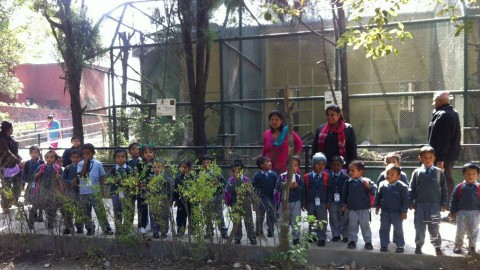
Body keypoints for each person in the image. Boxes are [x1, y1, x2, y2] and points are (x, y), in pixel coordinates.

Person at [409, 146, 448, 256]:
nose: (428, 160)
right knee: (419, 227)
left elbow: (444, 189)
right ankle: (418, 245)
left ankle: (437, 246)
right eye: (425, 157)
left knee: (434, 226)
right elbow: (411, 188)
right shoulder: (416, 172)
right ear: (420, 158)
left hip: (434, 205)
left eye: (430, 157)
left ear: (434, 158)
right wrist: (410, 201)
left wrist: (444, 203)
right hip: (420, 205)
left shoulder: (439, 172)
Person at [428, 91, 461, 207]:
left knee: (445, 181)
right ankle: (447, 206)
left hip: (443, 156)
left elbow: (443, 139)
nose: (433, 104)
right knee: (445, 180)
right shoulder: (450, 113)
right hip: (447, 155)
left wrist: (440, 160)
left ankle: (450, 207)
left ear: (440, 101)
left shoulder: (444, 115)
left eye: (435, 101)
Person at [73, 143, 113, 236]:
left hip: (95, 191)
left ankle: (106, 228)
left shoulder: (98, 163)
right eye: (84, 154)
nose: (86, 155)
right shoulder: (80, 164)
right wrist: (85, 164)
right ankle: (90, 228)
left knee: (100, 210)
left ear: (93, 153)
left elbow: (102, 177)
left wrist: (102, 189)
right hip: (84, 192)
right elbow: (81, 175)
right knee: (86, 211)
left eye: (88, 153)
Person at [341, 160, 376, 250]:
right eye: (350, 170)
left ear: (361, 172)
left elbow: (373, 191)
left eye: (353, 170)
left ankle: (368, 241)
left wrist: (369, 186)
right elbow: (344, 195)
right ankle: (352, 241)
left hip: (364, 208)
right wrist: (343, 205)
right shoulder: (348, 182)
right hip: (352, 209)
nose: (350, 172)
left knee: (365, 226)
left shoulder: (366, 181)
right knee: (352, 225)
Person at [375, 163, 409, 253]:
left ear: (398, 176)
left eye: (392, 174)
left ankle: (400, 245)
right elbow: (378, 196)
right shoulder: (382, 185)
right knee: (384, 229)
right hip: (385, 212)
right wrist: (377, 206)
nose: (389, 176)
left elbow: (406, 200)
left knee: (398, 229)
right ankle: (384, 245)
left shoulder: (402, 187)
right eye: (387, 173)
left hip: (397, 213)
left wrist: (404, 211)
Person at [312, 104, 357, 168]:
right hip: (324, 167)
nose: (329, 117)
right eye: (327, 115)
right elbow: (315, 149)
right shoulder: (320, 129)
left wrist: (352, 165)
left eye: (332, 115)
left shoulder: (348, 129)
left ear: (338, 115)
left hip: (342, 167)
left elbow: (352, 149)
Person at [450, 163, 480, 255]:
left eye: (474, 174)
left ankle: (472, 247)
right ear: (463, 174)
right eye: (468, 174)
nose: (471, 176)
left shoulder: (479, 187)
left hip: (475, 213)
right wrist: (452, 212)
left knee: (474, 230)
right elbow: (453, 200)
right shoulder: (459, 187)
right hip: (461, 212)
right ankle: (458, 246)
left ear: (478, 175)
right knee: (460, 230)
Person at [29, 150, 63, 231]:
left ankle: (50, 223)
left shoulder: (58, 168)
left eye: (51, 157)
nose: (49, 159)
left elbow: (62, 178)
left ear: (55, 159)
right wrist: (38, 174)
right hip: (41, 190)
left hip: (53, 190)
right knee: (35, 206)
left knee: (52, 207)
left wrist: (59, 177)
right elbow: (33, 176)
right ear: (44, 158)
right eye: (47, 157)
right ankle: (31, 223)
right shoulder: (41, 167)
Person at [225, 159, 257, 245]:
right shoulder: (230, 181)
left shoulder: (246, 180)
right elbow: (228, 192)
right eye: (233, 171)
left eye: (238, 170)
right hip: (235, 202)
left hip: (246, 202)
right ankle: (237, 237)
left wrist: (253, 202)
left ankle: (252, 237)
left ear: (241, 170)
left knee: (249, 220)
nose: (235, 173)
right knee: (236, 221)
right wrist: (228, 203)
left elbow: (251, 192)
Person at [275, 156, 305, 245]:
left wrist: (297, 187)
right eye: (291, 165)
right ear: (287, 166)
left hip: (296, 202)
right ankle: (284, 237)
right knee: (283, 220)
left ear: (298, 167)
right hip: (284, 202)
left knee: (296, 220)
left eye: (295, 165)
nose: (293, 168)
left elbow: (302, 191)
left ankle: (295, 238)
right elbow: (277, 189)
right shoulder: (281, 176)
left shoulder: (299, 178)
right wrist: (285, 185)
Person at [304, 152, 332, 247]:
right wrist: (305, 203)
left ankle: (321, 237)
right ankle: (312, 235)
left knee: (322, 220)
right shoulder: (307, 177)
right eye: (318, 164)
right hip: (311, 202)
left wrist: (328, 201)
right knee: (311, 219)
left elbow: (329, 190)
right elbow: (304, 190)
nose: (321, 166)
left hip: (322, 202)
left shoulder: (326, 177)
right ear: (313, 164)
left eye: (323, 164)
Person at [262, 110, 303, 174]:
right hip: (270, 167)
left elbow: (299, 143)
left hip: (286, 167)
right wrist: (263, 162)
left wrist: (295, 157)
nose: (274, 121)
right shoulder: (266, 134)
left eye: (276, 119)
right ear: (269, 121)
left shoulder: (287, 131)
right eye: (272, 119)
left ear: (281, 121)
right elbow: (265, 150)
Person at [199, 154, 229, 239]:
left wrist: (217, 184)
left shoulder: (217, 173)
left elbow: (225, 183)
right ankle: (209, 231)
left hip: (216, 196)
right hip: (205, 197)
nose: (206, 165)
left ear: (212, 164)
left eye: (208, 163)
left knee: (219, 215)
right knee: (206, 215)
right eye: (204, 163)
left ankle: (223, 231)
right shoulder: (201, 174)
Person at [107, 148, 135, 235]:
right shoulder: (113, 169)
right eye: (118, 157)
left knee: (128, 210)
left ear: (126, 158)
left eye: (123, 157)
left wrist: (128, 183)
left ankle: (127, 228)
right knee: (117, 210)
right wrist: (114, 180)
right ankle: (118, 229)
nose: (120, 159)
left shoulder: (129, 169)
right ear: (115, 158)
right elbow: (108, 179)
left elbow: (134, 180)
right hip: (115, 193)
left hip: (127, 193)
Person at [252, 156, 277, 238]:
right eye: (267, 162)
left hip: (271, 197)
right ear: (262, 165)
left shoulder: (273, 174)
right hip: (261, 198)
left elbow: (276, 185)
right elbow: (253, 186)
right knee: (260, 215)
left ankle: (270, 230)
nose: (270, 163)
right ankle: (259, 231)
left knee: (271, 215)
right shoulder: (257, 175)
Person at [0, 121, 23, 212]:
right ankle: (5, 205)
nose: (12, 130)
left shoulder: (9, 138)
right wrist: (18, 161)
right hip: (5, 165)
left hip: (14, 165)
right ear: (8, 129)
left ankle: (14, 200)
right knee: (6, 186)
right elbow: (7, 152)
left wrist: (18, 157)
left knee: (17, 183)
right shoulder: (2, 139)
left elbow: (13, 151)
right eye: (11, 128)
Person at [148, 158, 173, 239]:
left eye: (159, 167)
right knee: (153, 215)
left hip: (163, 200)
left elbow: (170, 188)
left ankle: (164, 231)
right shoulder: (151, 178)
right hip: (153, 199)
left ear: (163, 168)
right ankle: (155, 231)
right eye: (154, 167)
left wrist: (170, 200)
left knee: (164, 215)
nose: (156, 169)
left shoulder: (166, 178)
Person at [328, 156, 349, 243]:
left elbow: (347, 191)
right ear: (331, 166)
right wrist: (328, 201)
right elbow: (327, 190)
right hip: (332, 201)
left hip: (342, 201)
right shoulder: (328, 177)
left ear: (341, 166)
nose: (336, 167)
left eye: (338, 165)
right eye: (334, 165)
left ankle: (345, 235)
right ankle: (336, 235)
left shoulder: (346, 177)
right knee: (333, 217)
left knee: (344, 218)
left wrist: (346, 203)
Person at [136, 144, 156, 236]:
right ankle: (142, 226)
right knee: (142, 208)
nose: (148, 154)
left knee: (154, 208)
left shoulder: (156, 163)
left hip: (154, 189)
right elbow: (136, 176)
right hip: (142, 189)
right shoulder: (139, 164)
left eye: (150, 152)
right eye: (146, 152)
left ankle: (155, 227)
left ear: (154, 153)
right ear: (142, 154)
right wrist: (139, 185)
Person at [62, 149, 82, 235]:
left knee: (79, 210)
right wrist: (70, 182)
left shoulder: (83, 167)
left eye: (77, 157)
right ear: (70, 158)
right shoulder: (67, 168)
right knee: (68, 210)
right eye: (73, 157)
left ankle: (80, 227)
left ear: (80, 158)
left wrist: (78, 181)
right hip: (69, 191)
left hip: (80, 191)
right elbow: (63, 180)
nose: (75, 159)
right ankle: (68, 227)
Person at [173, 159, 194, 236]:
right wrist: (175, 200)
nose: (183, 169)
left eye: (185, 167)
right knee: (180, 216)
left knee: (192, 215)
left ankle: (192, 229)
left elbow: (196, 189)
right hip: (181, 200)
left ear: (189, 168)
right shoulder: (178, 178)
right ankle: (180, 230)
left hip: (191, 200)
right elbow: (175, 190)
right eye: (181, 168)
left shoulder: (193, 177)